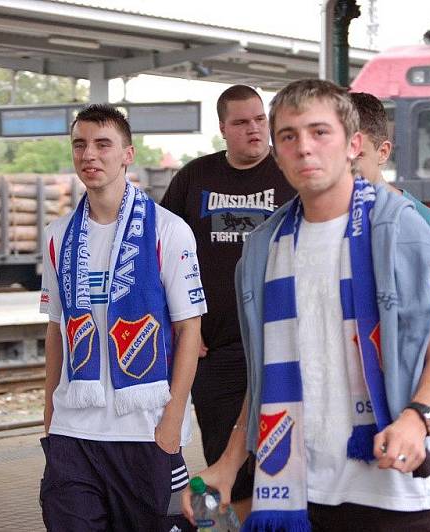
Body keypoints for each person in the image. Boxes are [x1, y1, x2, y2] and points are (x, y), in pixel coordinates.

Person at [182, 79, 430, 531]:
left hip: (393, 495)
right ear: (277, 154)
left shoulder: (398, 234)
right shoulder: (264, 249)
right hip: (297, 492)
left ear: (353, 144)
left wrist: (418, 419)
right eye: (289, 136)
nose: (304, 148)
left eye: (319, 132)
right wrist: (230, 462)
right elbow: (265, 374)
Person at [39, 103, 206, 531]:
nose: (89, 155)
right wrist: (49, 418)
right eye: (80, 145)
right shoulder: (57, 237)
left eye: (102, 144)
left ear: (127, 154)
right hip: (75, 433)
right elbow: (57, 330)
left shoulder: (167, 230)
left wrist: (172, 422)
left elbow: (189, 330)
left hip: (145, 434)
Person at [161, 84, 295, 520]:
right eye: (241, 122)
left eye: (260, 120)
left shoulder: (289, 174)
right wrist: (178, 328)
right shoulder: (194, 178)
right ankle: (228, 523)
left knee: (277, 459)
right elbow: (158, 256)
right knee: (224, 458)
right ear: (223, 128)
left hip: (277, 346)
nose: (254, 129)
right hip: (214, 348)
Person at [350, 91, 430, 476]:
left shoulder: (421, 225)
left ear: (383, 152)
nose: (347, 168)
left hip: (407, 419)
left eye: (357, 156)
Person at [349, 91, 430, 247]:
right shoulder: (317, 218)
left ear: (383, 152)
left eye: (357, 155)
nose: (343, 165)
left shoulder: (426, 227)